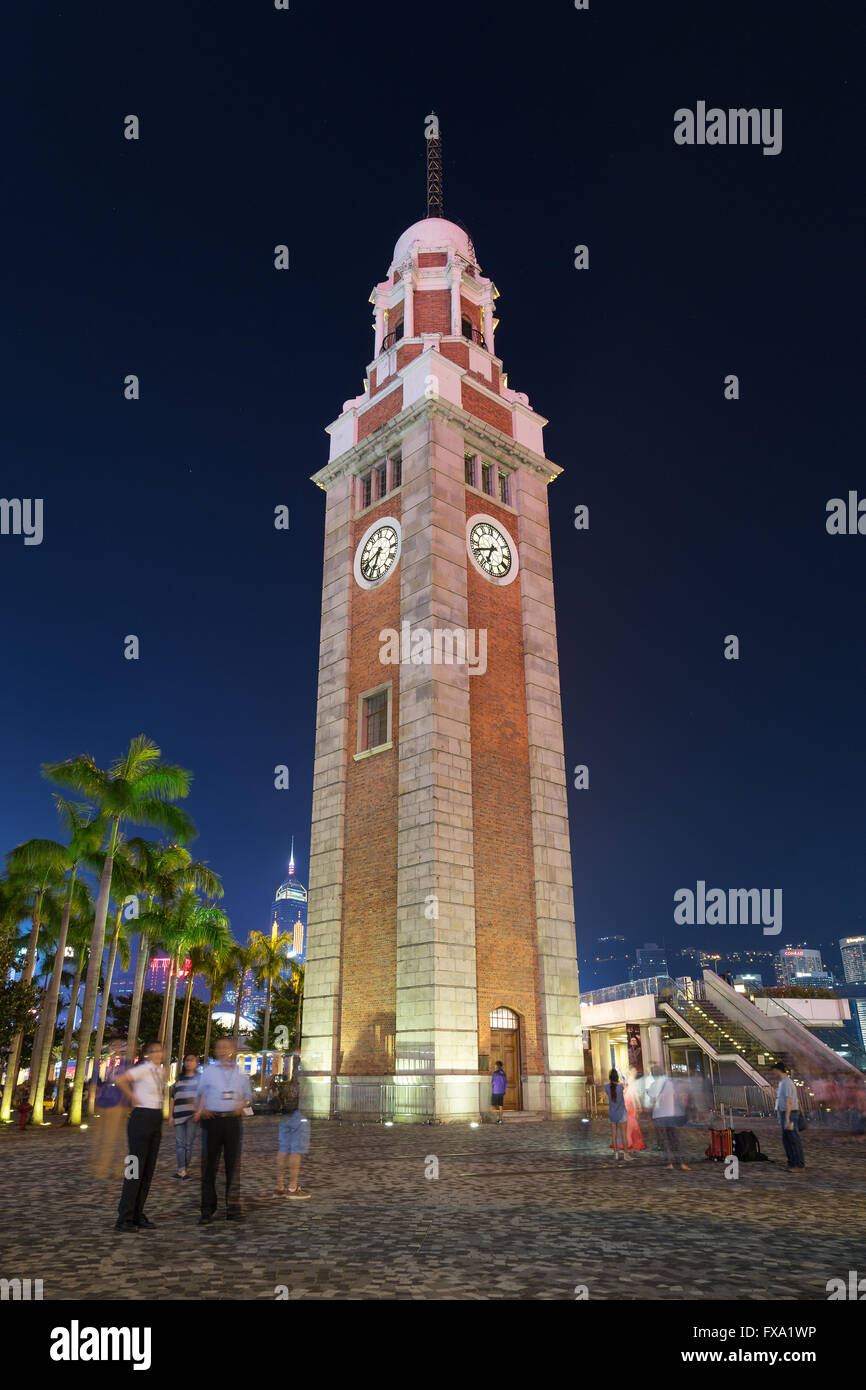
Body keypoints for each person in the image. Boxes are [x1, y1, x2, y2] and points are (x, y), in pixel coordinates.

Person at [193, 1038, 253, 1224]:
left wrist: (241, 1105)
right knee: (209, 1166)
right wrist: (201, 1110)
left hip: (233, 1122)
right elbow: (198, 1093)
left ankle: (233, 1208)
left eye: (226, 1047)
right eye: (219, 1047)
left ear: (232, 1050)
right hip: (213, 1121)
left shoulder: (239, 1072)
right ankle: (207, 1209)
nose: (222, 1050)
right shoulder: (208, 1071)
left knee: (233, 1166)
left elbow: (248, 1096)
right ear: (215, 1050)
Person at [114, 1041, 166, 1232]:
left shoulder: (160, 1072)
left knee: (147, 1170)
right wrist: (133, 1098)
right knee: (134, 1167)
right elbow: (120, 1080)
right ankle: (124, 1217)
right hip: (141, 1117)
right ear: (146, 1054)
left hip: (155, 1117)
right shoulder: (143, 1069)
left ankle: (137, 1213)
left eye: (159, 1050)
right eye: (152, 1051)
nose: (157, 1053)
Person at [274, 1053, 311, 1200]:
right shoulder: (304, 1081)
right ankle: (292, 1187)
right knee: (296, 1151)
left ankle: (279, 1186)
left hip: (285, 1116)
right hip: (298, 1116)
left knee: (283, 1149)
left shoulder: (288, 1083)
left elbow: (281, 1096)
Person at [651, 1069, 690, 1170]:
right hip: (671, 1114)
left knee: (665, 1141)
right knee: (675, 1140)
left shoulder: (654, 1084)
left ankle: (669, 1164)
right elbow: (677, 1097)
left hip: (659, 1116)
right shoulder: (670, 1084)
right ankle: (681, 1163)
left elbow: (651, 1099)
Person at [169, 1053, 200, 1180]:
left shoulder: (200, 1079)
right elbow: (172, 1098)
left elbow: (203, 1097)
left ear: (196, 1063)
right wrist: (170, 1116)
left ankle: (184, 1168)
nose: (189, 1062)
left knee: (188, 1144)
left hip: (191, 1116)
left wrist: (199, 1111)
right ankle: (182, 1170)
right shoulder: (179, 1079)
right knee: (179, 1144)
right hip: (178, 1115)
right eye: (187, 1060)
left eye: (192, 1060)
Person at [772, 1062, 805, 1171]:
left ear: (778, 1070)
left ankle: (799, 1164)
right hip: (787, 1113)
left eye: (774, 1070)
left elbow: (789, 1101)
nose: (773, 1073)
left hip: (789, 1114)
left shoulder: (786, 1083)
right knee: (787, 1139)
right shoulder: (784, 1082)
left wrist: (786, 1118)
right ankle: (792, 1162)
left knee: (793, 1139)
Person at [604, 1068, 632, 1161]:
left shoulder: (606, 1087)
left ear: (609, 1078)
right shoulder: (620, 1087)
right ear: (617, 1078)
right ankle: (626, 1155)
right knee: (624, 1135)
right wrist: (621, 1074)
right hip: (621, 1113)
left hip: (612, 1113)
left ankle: (616, 1154)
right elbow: (625, 1082)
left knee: (614, 1135)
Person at [622, 1066, 646, 1152]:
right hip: (630, 1101)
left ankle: (629, 1141)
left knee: (630, 1122)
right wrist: (638, 1105)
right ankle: (631, 1142)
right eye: (634, 1070)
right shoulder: (632, 1080)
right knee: (632, 1121)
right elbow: (634, 1094)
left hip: (628, 1101)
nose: (636, 1071)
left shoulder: (628, 1080)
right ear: (631, 1071)